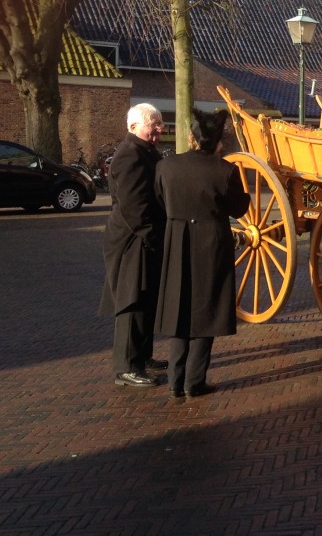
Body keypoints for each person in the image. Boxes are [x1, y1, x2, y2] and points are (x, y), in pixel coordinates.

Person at [154, 109, 250, 399]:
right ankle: (194, 380)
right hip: (211, 243)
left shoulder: (166, 167)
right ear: (218, 141)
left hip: (176, 241)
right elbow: (239, 208)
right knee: (206, 307)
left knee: (179, 305)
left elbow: (159, 199)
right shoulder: (224, 170)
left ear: (190, 137)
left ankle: (175, 378)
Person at [100, 103, 167, 388]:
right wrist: (151, 236)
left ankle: (143, 356)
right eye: (154, 123)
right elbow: (134, 205)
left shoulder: (144, 152)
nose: (160, 129)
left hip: (141, 238)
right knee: (132, 300)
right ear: (133, 127)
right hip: (132, 240)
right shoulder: (129, 156)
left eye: (160, 123)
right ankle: (127, 367)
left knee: (146, 298)